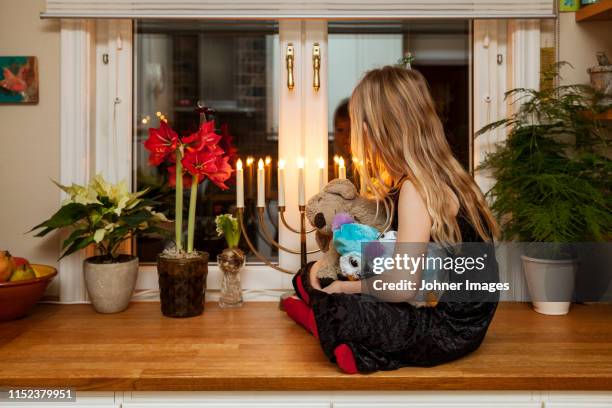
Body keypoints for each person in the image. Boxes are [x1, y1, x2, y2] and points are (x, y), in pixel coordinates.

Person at [282, 66, 501, 374]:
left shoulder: (416, 189)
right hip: (442, 310)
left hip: (448, 329)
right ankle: (327, 320)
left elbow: (401, 287)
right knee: (311, 274)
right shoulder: (427, 177)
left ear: (376, 129)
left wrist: (345, 290)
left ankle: (324, 325)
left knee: (341, 308)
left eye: (359, 124)